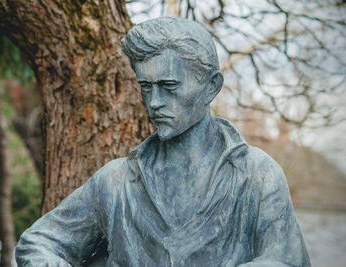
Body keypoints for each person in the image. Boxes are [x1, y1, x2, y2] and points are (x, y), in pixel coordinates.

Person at [15, 17, 310, 266]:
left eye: (169, 86)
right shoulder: (116, 182)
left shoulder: (257, 175)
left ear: (211, 88)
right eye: (146, 87)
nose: (155, 102)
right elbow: (38, 242)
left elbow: (285, 260)